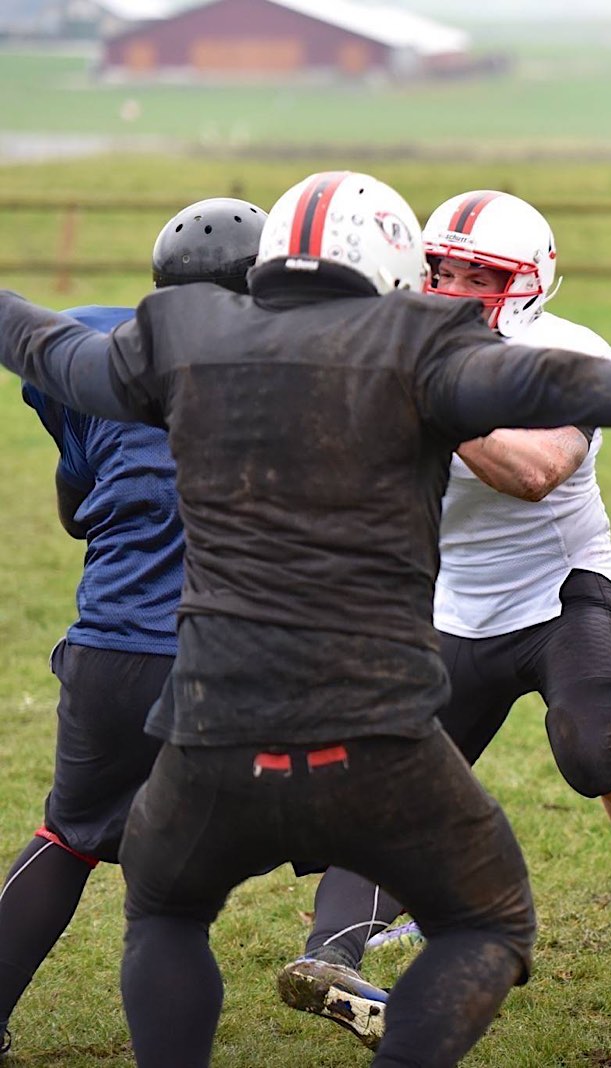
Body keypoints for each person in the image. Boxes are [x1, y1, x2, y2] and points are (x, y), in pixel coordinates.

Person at [0, 169, 611, 1068]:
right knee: (489, 919)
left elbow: (45, 347)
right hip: (364, 715)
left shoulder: (177, 335)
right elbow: (587, 385)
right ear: (403, 264)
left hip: (208, 722)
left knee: (168, 914)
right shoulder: (418, 347)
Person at [278, 190, 611, 1051]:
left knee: (591, 753)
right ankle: (331, 958)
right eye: (438, 269)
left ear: (526, 286)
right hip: (450, 606)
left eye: (476, 275)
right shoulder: (386, 345)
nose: (450, 288)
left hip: (560, 589)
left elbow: (538, 470)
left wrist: (428, 398)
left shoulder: (563, 353)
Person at [0, 197, 266, 1063]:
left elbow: (79, 502)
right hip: (234, 665)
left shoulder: (94, 346)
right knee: (381, 802)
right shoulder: (296, 367)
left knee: (70, 834)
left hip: (110, 650)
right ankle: (339, 946)